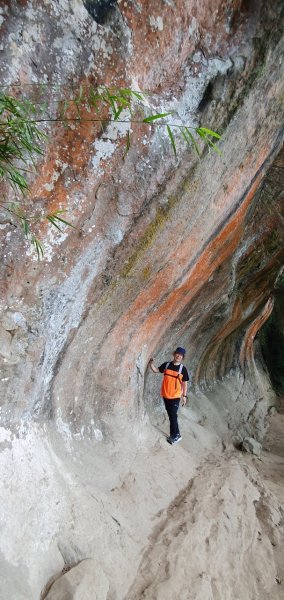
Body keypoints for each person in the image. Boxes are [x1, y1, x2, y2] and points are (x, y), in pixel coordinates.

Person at [149, 347, 189, 444]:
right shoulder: (166, 365)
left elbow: (185, 383)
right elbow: (155, 370)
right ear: (174, 354)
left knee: (173, 415)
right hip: (166, 395)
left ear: (182, 357)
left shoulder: (182, 369)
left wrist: (184, 396)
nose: (178, 356)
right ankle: (176, 434)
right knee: (171, 415)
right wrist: (150, 363)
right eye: (177, 353)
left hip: (175, 396)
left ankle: (175, 436)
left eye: (181, 355)